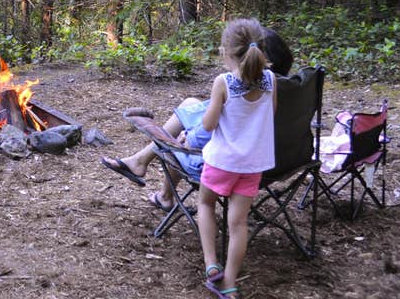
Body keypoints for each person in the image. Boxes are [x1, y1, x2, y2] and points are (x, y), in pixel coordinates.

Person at [100, 26, 292, 212]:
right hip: (276, 159)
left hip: (229, 165)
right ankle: (143, 165)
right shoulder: (277, 88)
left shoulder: (236, 88)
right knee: (190, 104)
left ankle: (152, 177)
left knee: (176, 141)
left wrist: (186, 138)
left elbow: (206, 132)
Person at [198, 19, 277, 298]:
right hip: (253, 164)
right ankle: (229, 282)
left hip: (222, 162)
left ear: (226, 53)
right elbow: (271, 114)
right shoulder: (270, 79)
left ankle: (210, 264)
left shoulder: (224, 82)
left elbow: (208, 125)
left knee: (206, 204)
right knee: (238, 223)